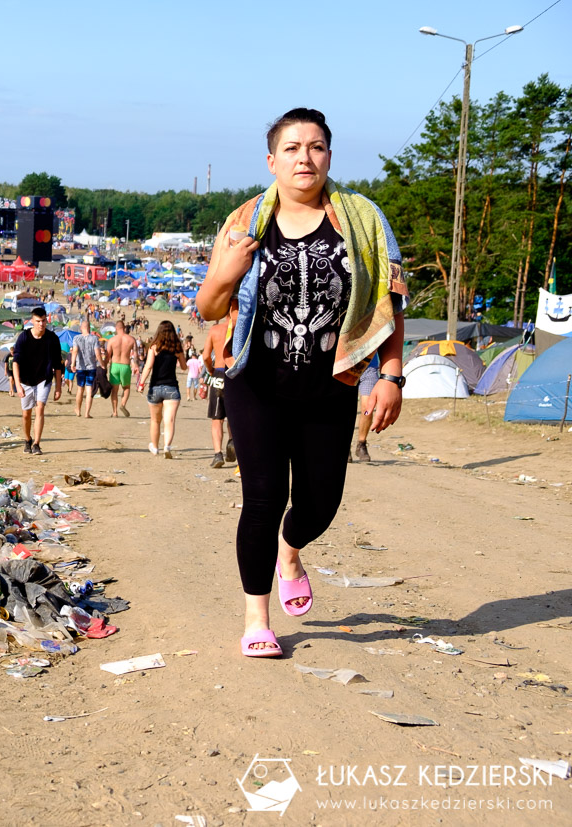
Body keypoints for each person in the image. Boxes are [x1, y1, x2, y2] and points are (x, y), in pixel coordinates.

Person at [196, 107, 407, 658]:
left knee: (320, 504)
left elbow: (391, 299)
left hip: (332, 384)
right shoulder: (244, 224)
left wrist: (391, 375)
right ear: (272, 161)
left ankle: (291, 551)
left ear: (329, 157)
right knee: (262, 498)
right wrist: (226, 272)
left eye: (315, 147)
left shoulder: (360, 219)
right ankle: (256, 620)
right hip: (256, 382)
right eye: (291, 148)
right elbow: (208, 307)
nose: (304, 157)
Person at [11, 306, 63, 455]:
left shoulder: (52, 339)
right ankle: (27, 439)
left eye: (44, 321)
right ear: (32, 321)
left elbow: (57, 365)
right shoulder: (24, 337)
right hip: (25, 379)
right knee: (26, 414)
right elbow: (15, 362)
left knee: (40, 408)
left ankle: (37, 444)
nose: (41, 324)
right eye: (38, 321)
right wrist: (17, 385)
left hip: (44, 379)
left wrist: (58, 387)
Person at [137, 320, 187, 457]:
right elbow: (184, 367)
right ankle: (167, 447)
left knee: (155, 420)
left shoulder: (154, 347)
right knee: (169, 420)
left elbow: (148, 367)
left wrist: (141, 383)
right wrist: (180, 356)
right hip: (171, 387)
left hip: (155, 388)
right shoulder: (176, 348)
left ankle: (154, 447)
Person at [201, 304, 237, 469]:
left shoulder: (215, 330)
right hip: (235, 372)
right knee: (233, 415)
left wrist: (211, 370)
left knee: (217, 418)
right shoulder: (240, 329)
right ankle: (232, 441)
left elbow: (206, 356)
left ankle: (217, 454)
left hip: (219, 372)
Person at [69, 317, 104, 417]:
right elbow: (98, 353)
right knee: (89, 390)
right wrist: (101, 364)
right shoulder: (94, 339)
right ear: (89, 328)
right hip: (91, 367)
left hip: (80, 367)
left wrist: (72, 364)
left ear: (81, 328)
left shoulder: (77, 338)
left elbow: (74, 351)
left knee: (80, 389)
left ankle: (78, 410)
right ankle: (87, 413)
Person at [350, 354, 380, 462]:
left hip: (369, 367)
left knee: (368, 407)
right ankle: (345, 446)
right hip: (347, 365)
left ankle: (361, 444)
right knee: (343, 408)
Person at [104, 322, 137, 417]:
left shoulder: (112, 340)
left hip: (114, 366)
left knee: (114, 390)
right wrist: (136, 365)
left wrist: (104, 367)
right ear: (124, 327)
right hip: (126, 366)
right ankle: (123, 404)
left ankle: (114, 412)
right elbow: (135, 355)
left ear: (116, 328)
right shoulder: (131, 339)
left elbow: (107, 356)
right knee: (126, 388)